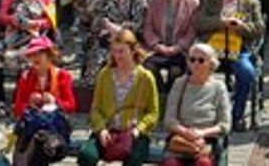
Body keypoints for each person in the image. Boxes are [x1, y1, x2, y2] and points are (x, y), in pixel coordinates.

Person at [189, 0, 262, 128]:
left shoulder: (252, 3)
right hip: (213, 50)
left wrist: (241, 26)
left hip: (239, 49)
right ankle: (201, 113)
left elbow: (259, 29)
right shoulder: (210, 0)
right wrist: (220, 22)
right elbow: (198, 23)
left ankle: (236, 115)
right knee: (195, 66)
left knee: (246, 72)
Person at [79, 29, 160, 166]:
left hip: (134, 133)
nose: (117, 56)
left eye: (122, 51)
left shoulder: (146, 78)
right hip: (108, 130)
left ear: (133, 50)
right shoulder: (105, 75)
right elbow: (96, 108)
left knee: (134, 159)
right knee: (86, 155)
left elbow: (153, 112)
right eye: (115, 51)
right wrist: (101, 129)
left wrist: (139, 129)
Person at [155, 43, 230, 166]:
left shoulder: (218, 87)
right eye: (192, 59)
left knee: (203, 163)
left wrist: (202, 133)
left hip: (206, 141)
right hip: (180, 140)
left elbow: (224, 125)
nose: (196, 64)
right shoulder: (180, 84)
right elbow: (169, 120)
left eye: (201, 60)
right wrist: (185, 132)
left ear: (211, 64)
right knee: (170, 164)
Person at [10, 35, 77, 166]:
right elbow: (18, 109)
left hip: (54, 131)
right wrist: (29, 103)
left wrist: (55, 101)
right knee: (31, 147)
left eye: (39, 53)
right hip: (31, 128)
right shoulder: (26, 77)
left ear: (49, 55)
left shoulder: (62, 76)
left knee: (40, 146)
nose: (35, 58)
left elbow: (71, 105)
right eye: (31, 55)